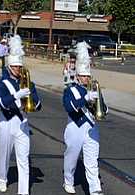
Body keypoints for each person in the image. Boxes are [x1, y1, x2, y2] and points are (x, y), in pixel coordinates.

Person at [0, 35, 42, 195]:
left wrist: (32, 100)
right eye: (14, 67)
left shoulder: (29, 82)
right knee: (5, 155)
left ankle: (23, 191)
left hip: (23, 123)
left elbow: (38, 104)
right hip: (6, 122)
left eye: (19, 67)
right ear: (9, 67)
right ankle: (2, 178)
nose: (18, 70)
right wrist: (16, 96)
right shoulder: (3, 83)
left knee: (24, 158)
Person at [62, 41, 106, 195]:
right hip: (75, 126)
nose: (86, 79)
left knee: (92, 160)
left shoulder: (93, 89)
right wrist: (86, 98)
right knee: (71, 157)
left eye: (88, 76)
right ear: (78, 76)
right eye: (83, 76)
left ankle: (95, 189)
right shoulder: (70, 90)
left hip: (91, 128)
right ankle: (68, 180)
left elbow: (103, 109)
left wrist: (100, 102)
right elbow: (69, 107)